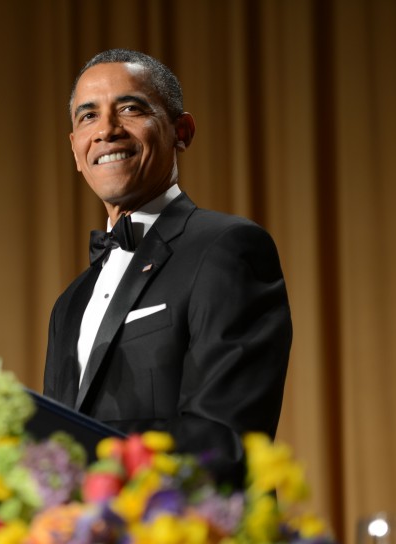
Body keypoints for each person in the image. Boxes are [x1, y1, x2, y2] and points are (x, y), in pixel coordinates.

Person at [43, 49, 292, 481]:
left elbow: (225, 438)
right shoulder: (70, 303)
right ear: (75, 151)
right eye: (88, 116)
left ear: (182, 130)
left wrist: (82, 456)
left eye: (130, 108)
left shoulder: (227, 247)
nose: (106, 130)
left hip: (197, 539)